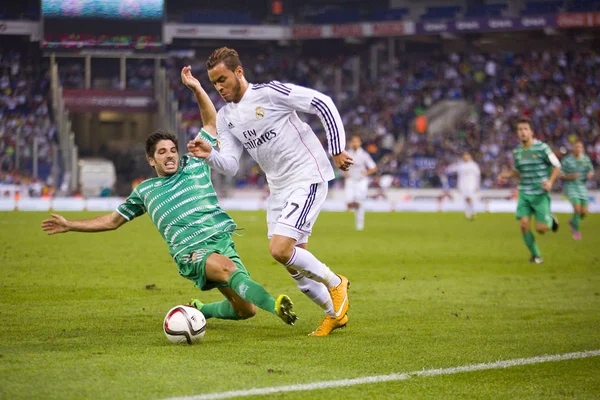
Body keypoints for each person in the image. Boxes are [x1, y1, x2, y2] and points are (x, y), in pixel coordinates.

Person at [40, 67, 297, 328]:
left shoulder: (195, 163)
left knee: (246, 310)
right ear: (152, 160)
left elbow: (210, 124)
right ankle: (277, 306)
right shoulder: (145, 191)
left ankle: (199, 310)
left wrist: (197, 88)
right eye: (162, 152)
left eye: (173, 150)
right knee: (229, 271)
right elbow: (111, 221)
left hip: (222, 242)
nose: (170, 155)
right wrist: (70, 224)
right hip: (191, 252)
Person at [187, 47, 352, 336]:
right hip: (278, 189)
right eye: (214, 83)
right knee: (292, 262)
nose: (219, 87)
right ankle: (333, 314)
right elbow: (230, 166)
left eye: (222, 79)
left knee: (279, 249)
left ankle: (336, 282)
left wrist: (336, 149)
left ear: (239, 72)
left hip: (307, 176)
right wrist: (209, 154)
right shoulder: (226, 117)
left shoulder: (270, 93)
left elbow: (323, 103)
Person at [497, 118, 561, 264]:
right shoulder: (517, 152)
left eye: (525, 129)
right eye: (520, 129)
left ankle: (550, 220)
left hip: (540, 193)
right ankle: (536, 256)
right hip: (524, 193)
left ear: (531, 132)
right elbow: (517, 171)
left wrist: (550, 182)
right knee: (524, 224)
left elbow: (557, 165)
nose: (522, 132)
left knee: (541, 229)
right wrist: (505, 176)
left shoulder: (543, 148)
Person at [560, 140, 594, 240]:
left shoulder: (586, 159)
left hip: (582, 187)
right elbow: (560, 175)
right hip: (570, 187)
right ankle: (576, 231)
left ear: (582, 149)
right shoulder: (567, 160)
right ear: (573, 148)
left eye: (580, 147)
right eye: (576, 147)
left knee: (584, 212)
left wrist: (589, 175)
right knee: (577, 209)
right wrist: (570, 176)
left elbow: (590, 171)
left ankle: (572, 221)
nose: (578, 149)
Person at [344, 135, 377, 230]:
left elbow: (373, 167)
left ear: (360, 143)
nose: (354, 143)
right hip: (350, 180)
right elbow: (342, 165)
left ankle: (359, 225)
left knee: (359, 203)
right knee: (349, 203)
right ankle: (354, 205)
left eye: (356, 141)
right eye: (353, 141)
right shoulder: (347, 154)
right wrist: (345, 173)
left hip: (361, 181)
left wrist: (367, 172)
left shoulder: (364, 155)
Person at [447, 152, 481, 220]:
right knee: (465, 199)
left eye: (466, 156)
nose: (465, 157)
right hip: (463, 185)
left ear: (470, 156)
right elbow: (457, 174)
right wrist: (458, 185)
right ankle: (467, 213)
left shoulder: (474, 165)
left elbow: (478, 175)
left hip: (471, 184)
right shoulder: (460, 165)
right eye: (464, 156)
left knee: (470, 198)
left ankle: (473, 211)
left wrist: (477, 186)